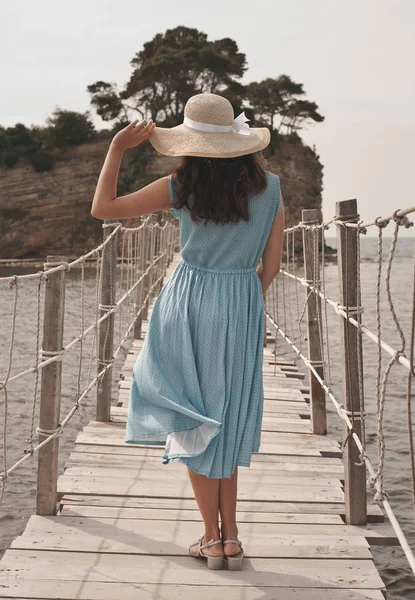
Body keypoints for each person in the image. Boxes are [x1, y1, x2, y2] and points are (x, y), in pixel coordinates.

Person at [91, 92, 284, 571]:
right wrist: (242, 298)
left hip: (188, 302)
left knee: (193, 416)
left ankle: (209, 539)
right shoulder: (272, 188)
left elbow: (104, 208)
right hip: (241, 302)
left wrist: (117, 149)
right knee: (228, 414)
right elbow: (273, 265)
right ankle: (231, 539)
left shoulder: (180, 186)